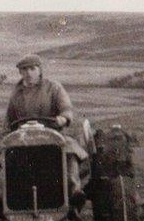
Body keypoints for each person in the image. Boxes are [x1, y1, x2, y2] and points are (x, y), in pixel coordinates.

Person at [5, 54, 88, 210]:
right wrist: (7, 134)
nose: (29, 73)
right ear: (20, 73)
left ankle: (75, 191)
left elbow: (67, 109)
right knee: (5, 156)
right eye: (24, 69)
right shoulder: (16, 94)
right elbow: (9, 121)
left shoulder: (53, 88)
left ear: (39, 70)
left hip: (52, 136)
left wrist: (63, 118)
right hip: (24, 139)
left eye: (32, 68)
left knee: (69, 149)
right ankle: (4, 196)